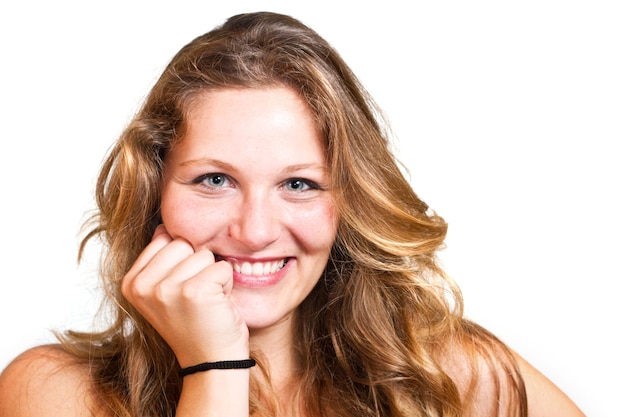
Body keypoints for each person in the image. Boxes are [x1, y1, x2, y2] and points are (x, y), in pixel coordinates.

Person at [0, 11, 585, 417]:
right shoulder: (55, 392)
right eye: (214, 179)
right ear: (154, 190)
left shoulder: (449, 377)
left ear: (348, 204)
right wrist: (214, 369)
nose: (254, 232)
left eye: (299, 184)